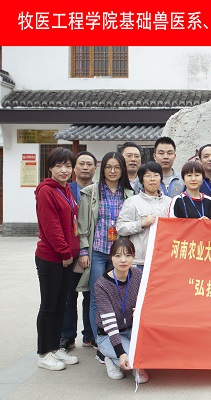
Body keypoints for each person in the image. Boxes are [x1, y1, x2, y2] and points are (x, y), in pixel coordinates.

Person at [76, 152, 134, 354]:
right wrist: (83, 251)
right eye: (108, 167)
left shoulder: (129, 194)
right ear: (102, 169)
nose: (112, 171)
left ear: (122, 170)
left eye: (117, 167)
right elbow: (82, 225)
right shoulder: (91, 192)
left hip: (120, 254)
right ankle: (99, 341)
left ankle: (115, 339)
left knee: (119, 295)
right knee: (95, 296)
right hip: (98, 251)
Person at [34, 147, 80, 370]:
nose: (64, 170)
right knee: (49, 306)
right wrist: (64, 253)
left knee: (61, 304)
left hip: (66, 257)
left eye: (68, 166)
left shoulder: (66, 189)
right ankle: (44, 353)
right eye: (59, 165)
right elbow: (51, 227)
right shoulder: (46, 191)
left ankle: (54, 348)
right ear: (50, 167)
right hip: (52, 257)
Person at [95, 238, 148, 383]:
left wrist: (142, 309)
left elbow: (148, 300)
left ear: (133, 257)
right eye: (118, 256)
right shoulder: (101, 285)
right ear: (111, 257)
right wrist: (121, 352)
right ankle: (110, 357)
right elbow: (109, 323)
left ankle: (126, 358)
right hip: (108, 334)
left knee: (154, 352)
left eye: (128, 255)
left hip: (132, 330)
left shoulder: (138, 275)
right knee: (132, 357)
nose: (123, 260)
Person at [60, 151, 97, 351]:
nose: (85, 167)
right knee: (69, 296)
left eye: (89, 164)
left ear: (95, 168)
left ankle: (89, 335)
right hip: (70, 250)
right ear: (74, 168)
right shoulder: (66, 190)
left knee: (90, 295)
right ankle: (67, 336)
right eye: (81, 164)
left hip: (92, 251)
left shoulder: (99, 190)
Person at [117, 162, 172, 269]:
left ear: (161, 178)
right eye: (148, 176)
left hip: (163, 260)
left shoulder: (169, 202)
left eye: (156, 175)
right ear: (141, 179)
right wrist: (141, 224)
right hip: (140, 261)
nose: (152, 179)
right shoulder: (132, 202)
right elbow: (121, 228)